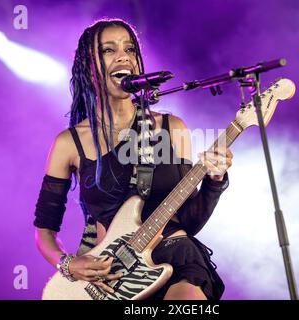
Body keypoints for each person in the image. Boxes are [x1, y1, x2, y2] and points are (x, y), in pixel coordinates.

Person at [34, 18, 233, 300]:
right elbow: (44, 233)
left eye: (130, 49)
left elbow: (189, 220)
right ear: (88, 67)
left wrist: (215, 180)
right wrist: (67, 264)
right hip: (111, 277)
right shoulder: (69, 144)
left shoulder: (172, 128)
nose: (123, 56)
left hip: (176, 261)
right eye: (108, 50)